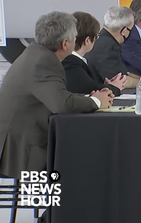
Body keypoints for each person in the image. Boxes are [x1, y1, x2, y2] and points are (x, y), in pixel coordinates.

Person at [0, 11, 113, 179]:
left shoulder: (35, 53)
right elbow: (62, 104)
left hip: (17, 140)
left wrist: (90, 99)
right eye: (75, 38)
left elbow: (57, 95)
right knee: (84, 161)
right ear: (65, 44)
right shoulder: (43, 62)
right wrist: (97, 101)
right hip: (22, 151)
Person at [84, 5, 141, 87]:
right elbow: (119, 80)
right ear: (124, 31)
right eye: (131, 29)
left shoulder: (103, 41)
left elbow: (122, 73)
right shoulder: (109, 47)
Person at [62, 11, 126, 97]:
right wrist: (113, 87)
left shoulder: (77, 61)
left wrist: (106, 84)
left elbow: (93, 84)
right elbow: (89, 89)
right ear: (87, 40)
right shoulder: (70, 63)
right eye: (96, 37)